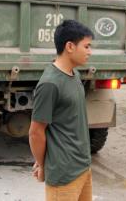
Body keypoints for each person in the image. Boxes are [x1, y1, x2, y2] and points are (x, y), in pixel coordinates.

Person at [29, 19, 94, 201]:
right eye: (87, 46)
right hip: (64, 175)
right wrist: (43, 165)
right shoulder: (50, 84)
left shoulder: (75, 74)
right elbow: (36, 132)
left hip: (83, 168)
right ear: (70, 47)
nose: (90, 52)